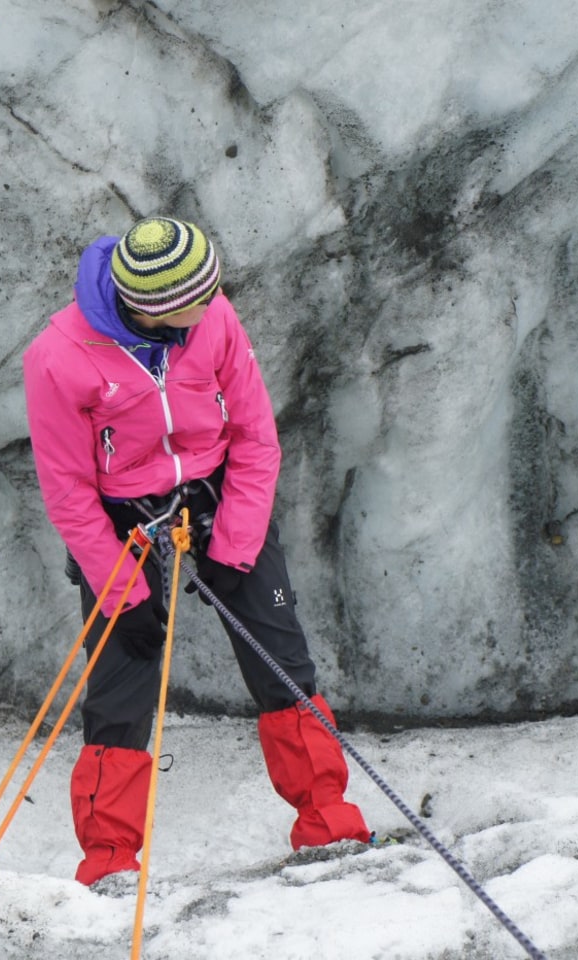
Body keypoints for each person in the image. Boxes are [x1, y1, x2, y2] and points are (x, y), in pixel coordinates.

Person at [23, 216, 370, 886]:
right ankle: (109, 862)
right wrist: (123, 594)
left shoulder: (212, 318)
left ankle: (329, 819)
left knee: (281, 661)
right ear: (150, 308)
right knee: (120, 693)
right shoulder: (58, 356)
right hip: (123, 527)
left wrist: (234, 548)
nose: (214, 305)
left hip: (222, 501)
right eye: (197, 298)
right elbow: (66, 489)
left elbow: (255, 436)